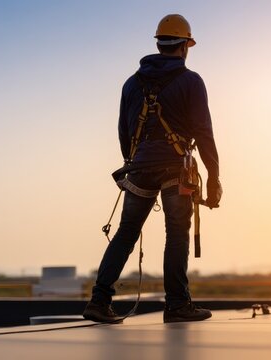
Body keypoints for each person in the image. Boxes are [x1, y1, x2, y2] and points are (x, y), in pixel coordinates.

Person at [83, 14, 222, 323]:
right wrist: (214, 177)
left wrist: (133, 164)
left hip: (140, 167)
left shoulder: (132, 83)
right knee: (176, 234)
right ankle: (176, 305)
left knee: (126, 233)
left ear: (159, 44)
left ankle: (99, 300)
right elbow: (204, 131)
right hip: (176, 168)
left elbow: (124, 130)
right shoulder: (190, 81)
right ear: (185, 45)